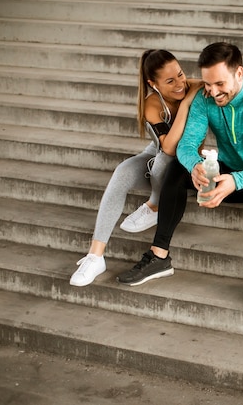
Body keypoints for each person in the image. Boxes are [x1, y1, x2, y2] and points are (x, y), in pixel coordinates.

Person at [116, 42, 243, 310]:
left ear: (239, 74)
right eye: (208, 84)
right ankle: (159, 257)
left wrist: (236, 181)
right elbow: (186, 146)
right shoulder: (205, 98)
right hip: (228, 174)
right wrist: (195, 166)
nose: (212, 92)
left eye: (219, 84)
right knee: (177, 166)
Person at [70, 49, 204, 287]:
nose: (180, 84)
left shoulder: (193, 87)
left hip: (187, 162)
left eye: (181, 75)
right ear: (153, 84)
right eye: (170, 81)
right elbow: (168, 147)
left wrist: (189, 97)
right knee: (123, 171)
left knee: (163, 161)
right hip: (158, 157)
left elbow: (176, 152)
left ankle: (154, 205)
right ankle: (95, 256)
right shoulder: (152, 103)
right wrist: (185, 106)